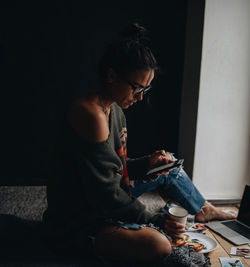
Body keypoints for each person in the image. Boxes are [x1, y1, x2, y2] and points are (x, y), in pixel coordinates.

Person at [42, 22, 235, 264]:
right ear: (111, 75)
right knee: (159, 245)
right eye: (136, 88)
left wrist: (147, 164)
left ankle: (203, 208)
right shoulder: (90, 115)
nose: (140, 97)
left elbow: (112, 168)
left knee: (170, 164)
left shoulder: (115, 108)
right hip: (81, 219)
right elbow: (107, 196)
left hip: (101, 199)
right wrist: (155, 220)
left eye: (146, 89)